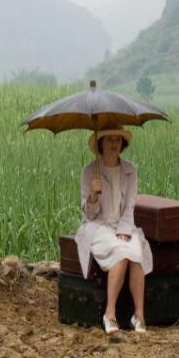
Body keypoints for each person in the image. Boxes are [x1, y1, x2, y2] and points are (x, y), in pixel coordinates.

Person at [76, 125, 153, 334]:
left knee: (135, 253)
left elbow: (130, 205)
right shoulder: (89, 171)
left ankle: (139, 315)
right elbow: (89, 214)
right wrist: (93, 195)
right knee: (121, 252)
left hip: (123, 223)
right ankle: (109, 314)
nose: (113, 144)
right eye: (109, 140)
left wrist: (125, 230)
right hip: (97, 226)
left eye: (117, 140)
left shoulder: (131, 170)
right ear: (100, 144)